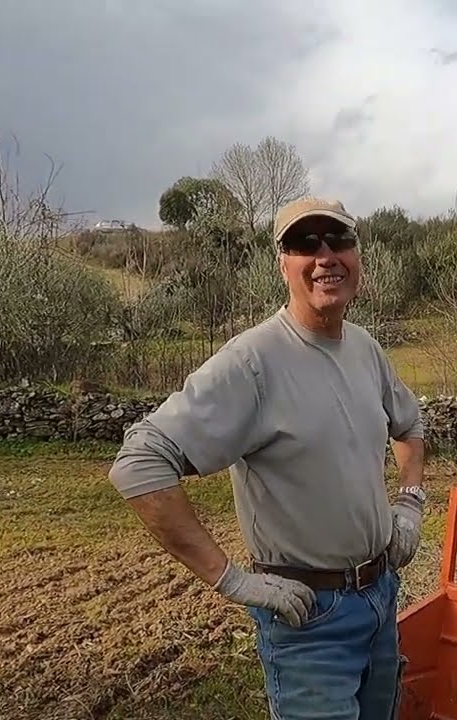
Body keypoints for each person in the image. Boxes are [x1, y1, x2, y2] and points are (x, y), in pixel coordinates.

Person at [107, 196, 428, 720]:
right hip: (309, 624)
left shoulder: (366, 349)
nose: (325, 256)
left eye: (338, 240)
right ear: (283, 264)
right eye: (305, 243)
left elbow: (409, 426)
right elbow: (139, 464)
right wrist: (231, 579)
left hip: (381, 599)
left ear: (358, 256)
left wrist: (410, 502)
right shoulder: (253, 362)